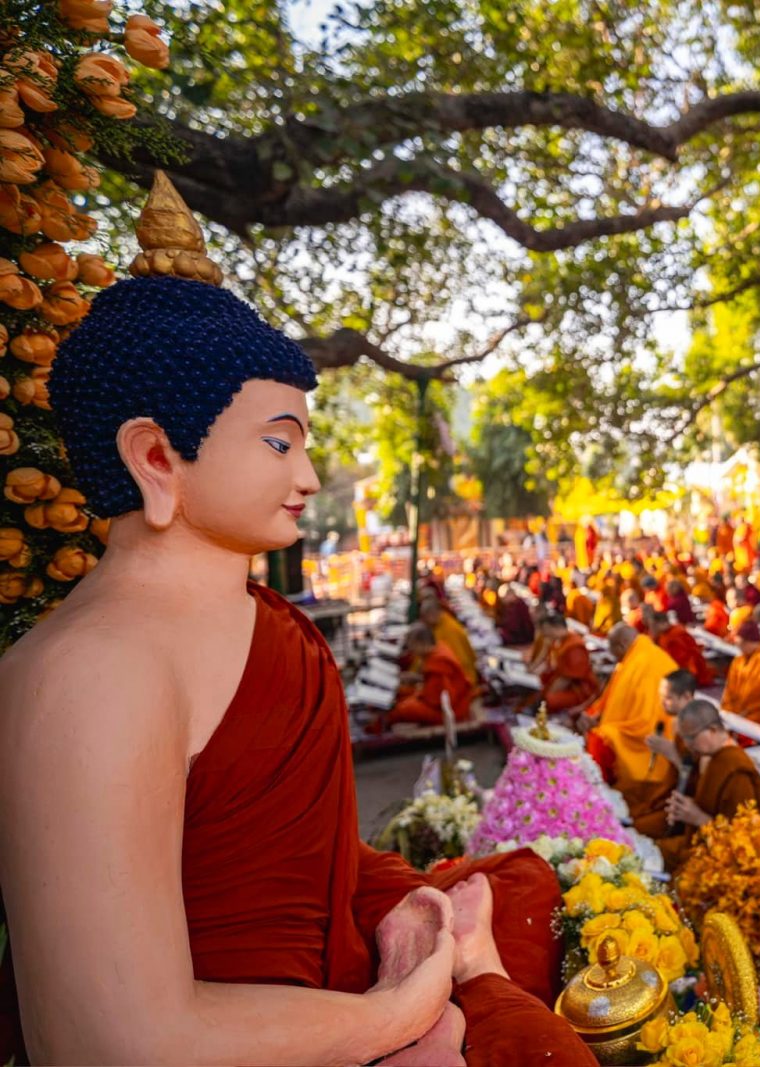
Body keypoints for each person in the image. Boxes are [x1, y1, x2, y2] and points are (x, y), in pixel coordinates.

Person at [0, 186, 591, 1066]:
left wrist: (407, 911)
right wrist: (399, 1011)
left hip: (334, 979)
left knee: (524, 892)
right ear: (157, 457)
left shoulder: (266, 624)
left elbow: (305, 856)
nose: (309, 475)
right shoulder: (91, 673)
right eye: (281, 443)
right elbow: (113, 1040)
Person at [643, 701, 760, 870]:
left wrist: (697, 817)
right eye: (685, 738)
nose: (687, 745)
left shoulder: (736, 772)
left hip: (720, 862)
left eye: (692, 738)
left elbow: (742, 841)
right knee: (640, 850)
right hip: (696, 842)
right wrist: (684, 808)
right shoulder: (710, 757)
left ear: (713, 730)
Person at [581, 623, 681, 820]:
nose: (617, 659)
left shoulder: (644, 660)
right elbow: (613, 698)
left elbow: (645, 720)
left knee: (600, 739)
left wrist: (609, 727)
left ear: (621, 645)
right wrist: (596, 713)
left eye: (615, 653)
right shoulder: (637, 656)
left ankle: (602, 800)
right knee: (600, 735)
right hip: (645, 728)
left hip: (652, 736)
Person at [387, 622, 475, 730]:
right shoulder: (439, 647)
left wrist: (416, 694)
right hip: (448, 702)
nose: (412, 651)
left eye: (413, 646)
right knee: (403, 696)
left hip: (452, 710)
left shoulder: (438, 660)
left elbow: (436, 701)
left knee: (405, 709)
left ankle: (381, 725)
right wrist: (416, 681)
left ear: (421, 643)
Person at [536, 612, 598, 715]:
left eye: (546, 630)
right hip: (561, 683)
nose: (545, 634)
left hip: (578, 691)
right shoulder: (558, 641)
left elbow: (567, 678)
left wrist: (547, 696)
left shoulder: (574, 646)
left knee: (549, 700)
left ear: (556, 627)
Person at [419, 594, 480, 690]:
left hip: (463, 679)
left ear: (432, 614)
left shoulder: (449, 629)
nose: (424, 622)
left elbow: (459, 661)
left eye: (425, 617)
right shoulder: (440, 623)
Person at [647, 607, 714, 687]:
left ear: (662, 623)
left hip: (687, 675)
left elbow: (680, 662)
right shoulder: (663, 634)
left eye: (654, 626)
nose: (652, 629)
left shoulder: (675, 635)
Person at [721, 621, 760, 719]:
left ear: (748, 642)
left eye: (740, 644)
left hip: (756, 713)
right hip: (735, 711)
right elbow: (729, 690)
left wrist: (745, 712)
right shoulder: (739, 660)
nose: (738, 648)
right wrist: (727, 709)